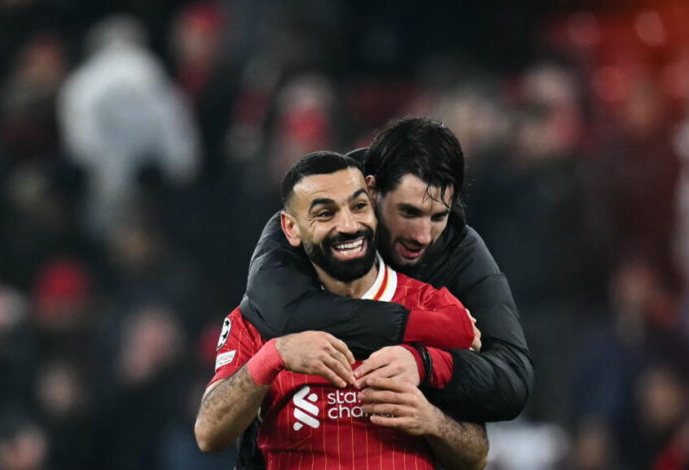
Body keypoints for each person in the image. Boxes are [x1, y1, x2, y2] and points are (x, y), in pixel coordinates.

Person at [196, 151, 488, 470]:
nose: (348, 226)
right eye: (325, 214)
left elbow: (476, 455)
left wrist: (431, 420)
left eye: (359, 207)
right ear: (292, 229)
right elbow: (209, 433)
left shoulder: (433, 307)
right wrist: (272, 357)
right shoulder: (257, 321)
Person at [240, 117, 533, 423]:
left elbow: (513, 379)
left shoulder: (459, 248)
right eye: (409, 212)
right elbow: (284, 315)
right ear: (372, 190)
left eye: (438, 216)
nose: (423, 236)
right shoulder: (312, 215)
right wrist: (423, 327)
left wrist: (424, 364)